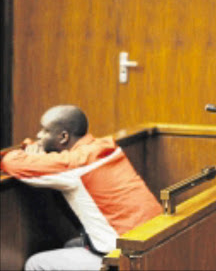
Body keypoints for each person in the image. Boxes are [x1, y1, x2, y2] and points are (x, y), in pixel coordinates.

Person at [1, 105, 162, 271]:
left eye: (45, 130)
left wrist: (30, 154)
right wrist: (38, 152)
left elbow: (10, 163)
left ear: (63, 137)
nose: (38, 135)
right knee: (71, 245)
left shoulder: (76, 165)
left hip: (127, 259)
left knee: (35, 263)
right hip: (154, 243)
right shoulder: (106, 148)